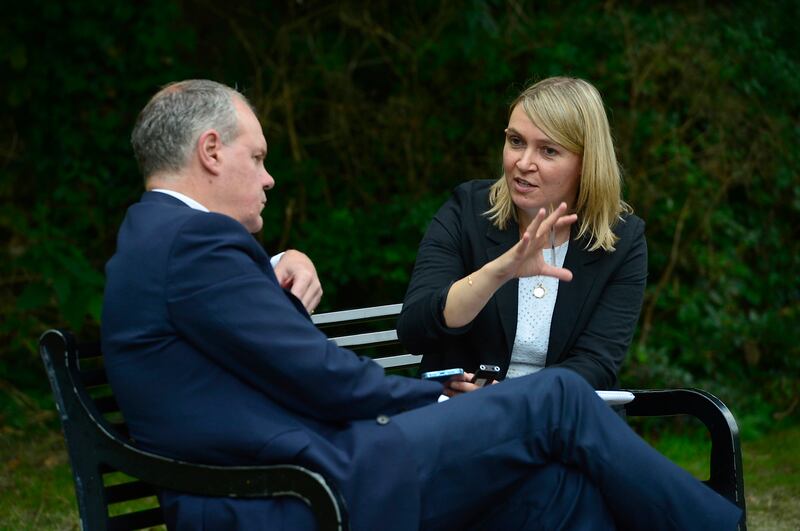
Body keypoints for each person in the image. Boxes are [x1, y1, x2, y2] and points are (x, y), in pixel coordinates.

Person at [102, 79, 740, 530]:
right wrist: (435, 397)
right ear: (211, 152)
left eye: (548, 150)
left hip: (296, 477)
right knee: (558, 403)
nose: (268, 177)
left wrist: (270, 267)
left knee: (557, 492)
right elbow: (317, 374)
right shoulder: (193, 245)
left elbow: (253, 350)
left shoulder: (163, 240)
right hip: (293, 493)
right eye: (259, 157)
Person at [397, 76, 646, 393]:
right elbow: (414, 330)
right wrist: (498, 272)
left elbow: (595, 365)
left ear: (586, 162)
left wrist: (506, 399)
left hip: (558, 421)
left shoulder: (622, 239)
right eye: (516, 141)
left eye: (548, 151)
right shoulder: (467, 212)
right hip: (460, 419)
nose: (523, 163)